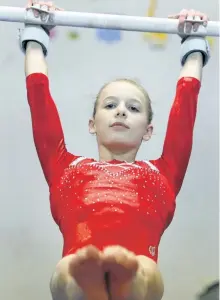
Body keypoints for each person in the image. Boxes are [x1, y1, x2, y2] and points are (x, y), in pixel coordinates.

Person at [19, 1, 210, 300]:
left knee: (144, 268)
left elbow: (186, 106)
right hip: (79, 270)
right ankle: (94, 284)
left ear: (148, 130)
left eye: (133, 108)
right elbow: (39, 101)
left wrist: (195, 42)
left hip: (138, 273)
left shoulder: (164, 171)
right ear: (93, 123)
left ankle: (119, 282)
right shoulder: (65, 166)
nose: (121, 112)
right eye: (110, 105)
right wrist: (34, 33)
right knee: (66, 269)